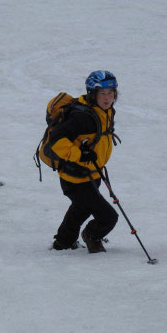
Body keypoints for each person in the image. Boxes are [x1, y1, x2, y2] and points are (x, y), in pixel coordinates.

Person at [49, 70, 120, 253]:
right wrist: (80, 155)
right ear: (92, 94)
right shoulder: (83, 117)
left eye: (111, 93)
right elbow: (56, 141)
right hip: (75, 178)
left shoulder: (105, 112)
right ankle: (92, 235)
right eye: (102, 93)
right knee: (108, 217)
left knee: (81, 209)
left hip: (92, 174)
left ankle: (63, 243)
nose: (107, 98)